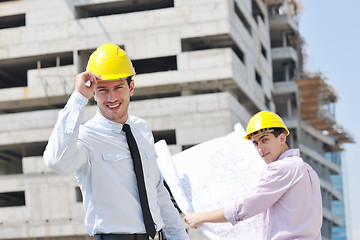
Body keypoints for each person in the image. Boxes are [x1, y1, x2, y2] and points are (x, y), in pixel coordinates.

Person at [43, 44, 189, 240]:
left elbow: (156, 189)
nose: (111, 98)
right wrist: (78, 98)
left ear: (131, 87)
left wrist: (180, 236)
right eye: (102, 90)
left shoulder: (142, 129)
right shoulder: (86, 137)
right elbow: (56, 162)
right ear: (93, 93)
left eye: (118, 87)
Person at [183, 111, 322, 240]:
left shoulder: (281, 168)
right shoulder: (308, 169)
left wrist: (201, 217)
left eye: (264, 140)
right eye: (256, 143)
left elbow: (244, 208)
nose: (260, 149)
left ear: (282, 138)